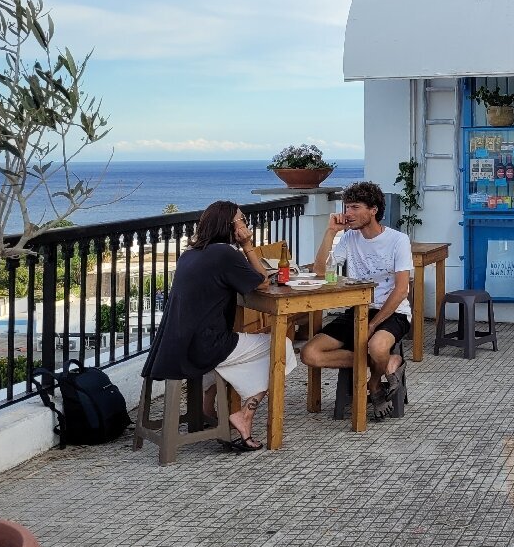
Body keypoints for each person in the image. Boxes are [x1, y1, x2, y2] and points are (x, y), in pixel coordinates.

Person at [142, 200, 296, 452]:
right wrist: (247, 246)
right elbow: (262, 283)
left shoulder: (190, 254)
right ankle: (245, 414)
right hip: (204, 347)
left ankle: (206, 410)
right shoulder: (224, 254)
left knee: (247, 343)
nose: (246, 224)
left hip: (175, 345)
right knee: (281, 346)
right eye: (243, 220)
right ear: (231, 225)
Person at [301, 181, 412, 413]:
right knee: (309, 353)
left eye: (355, 207)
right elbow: (321, 271)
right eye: (347, 207)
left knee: (377, 346)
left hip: (393, 312)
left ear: (373, 210)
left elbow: (401, 290)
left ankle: (373, 385)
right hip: (357, 310)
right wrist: (331, 231)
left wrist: (372, 324)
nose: (348, 214)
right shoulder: (349, 238)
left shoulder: (398, 240)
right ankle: (389, 365)